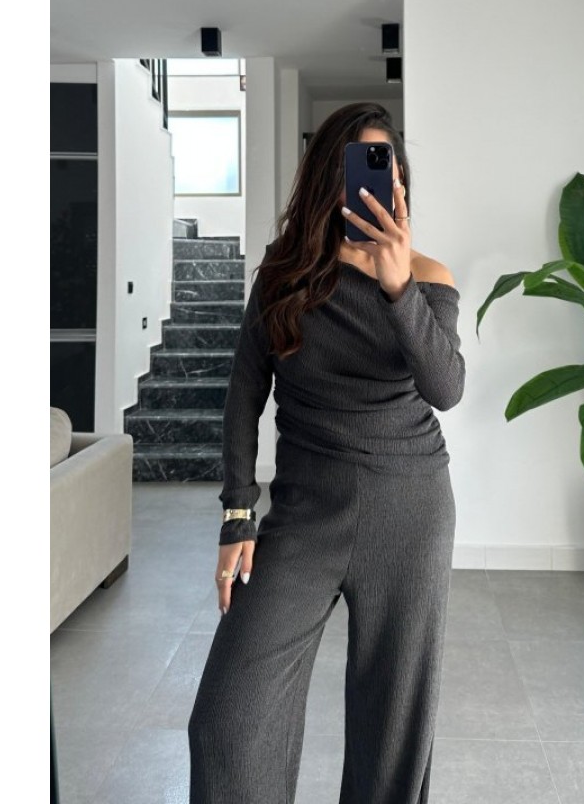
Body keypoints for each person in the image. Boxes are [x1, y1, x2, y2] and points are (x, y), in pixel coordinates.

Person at [188, 102, 465, 804]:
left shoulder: (428, 278)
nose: (374, 185)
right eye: (357, 168)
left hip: (410, 510)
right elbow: (244, 393)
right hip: (305, 515)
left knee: (393, 727)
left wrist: (398, 286)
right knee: (228, 721)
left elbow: (447, 388)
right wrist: (236, 513)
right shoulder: (283, 275)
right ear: (327, 180)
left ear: (400, 182)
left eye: (386, 168)